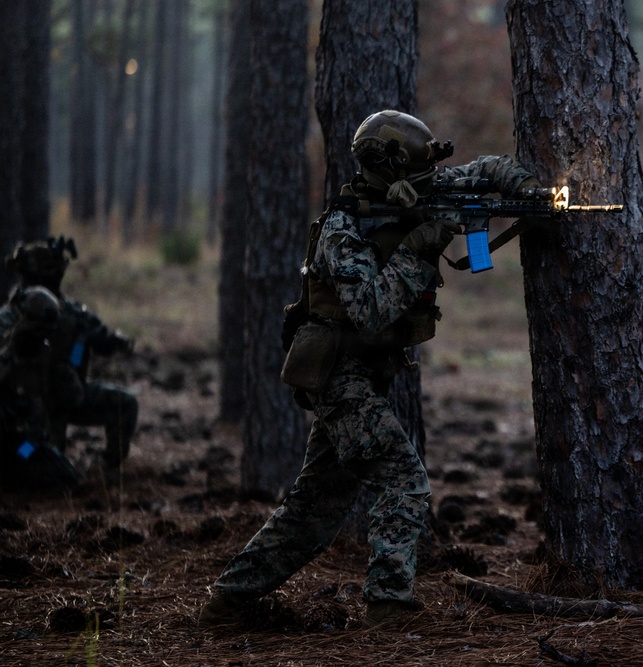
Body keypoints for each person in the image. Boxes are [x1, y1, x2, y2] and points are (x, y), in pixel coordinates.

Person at [199, 110, 539, 628]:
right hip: (337, 374)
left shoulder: (424, 184)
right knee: (403, 480)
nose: (432, 180)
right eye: (420, 171)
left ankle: (227, 600)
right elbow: (372, 310)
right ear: (385, 167)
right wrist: (422, 245)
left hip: (362, 375)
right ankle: (387, 604)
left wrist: (529, 191)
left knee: (314, 510)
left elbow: (487, 169)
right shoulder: (343, 230)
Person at [2, 237, 137, 478]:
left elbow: (104, 340)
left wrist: (92, 344)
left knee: (124, 404)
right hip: (28, 408)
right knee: (35, 450)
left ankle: (110, 468)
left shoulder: (73, 314)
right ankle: (14, 468)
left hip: (68, 395)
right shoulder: (10, 317)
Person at [0, 286, 83, 494]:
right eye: (37, 330)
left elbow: (39, 417)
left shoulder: (42, 355)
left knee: (64, 475)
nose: (41, 337)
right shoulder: (6, 353)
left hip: (21, 440)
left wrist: (24, 453)